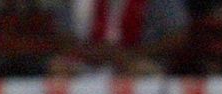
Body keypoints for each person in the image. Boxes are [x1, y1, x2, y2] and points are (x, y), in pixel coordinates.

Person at [47, 0, 191, 76]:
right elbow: (62, 36)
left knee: (142, 72)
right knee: (59, 68)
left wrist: (129, 55)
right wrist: (92, 53)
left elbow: (177, 36)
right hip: (86, 59)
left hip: (137, 59)